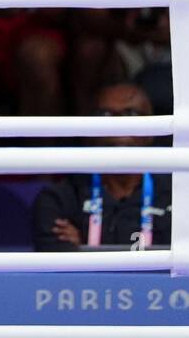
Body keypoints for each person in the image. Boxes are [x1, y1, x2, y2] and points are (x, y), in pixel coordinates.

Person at [31, 84, 170, 251]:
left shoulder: (177, 195)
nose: (118, 125)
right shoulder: (60, 197)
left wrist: (82, 248)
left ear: (152, 130)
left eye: (131, 114)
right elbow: (58, 265)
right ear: (91, 130)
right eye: (105, 115)